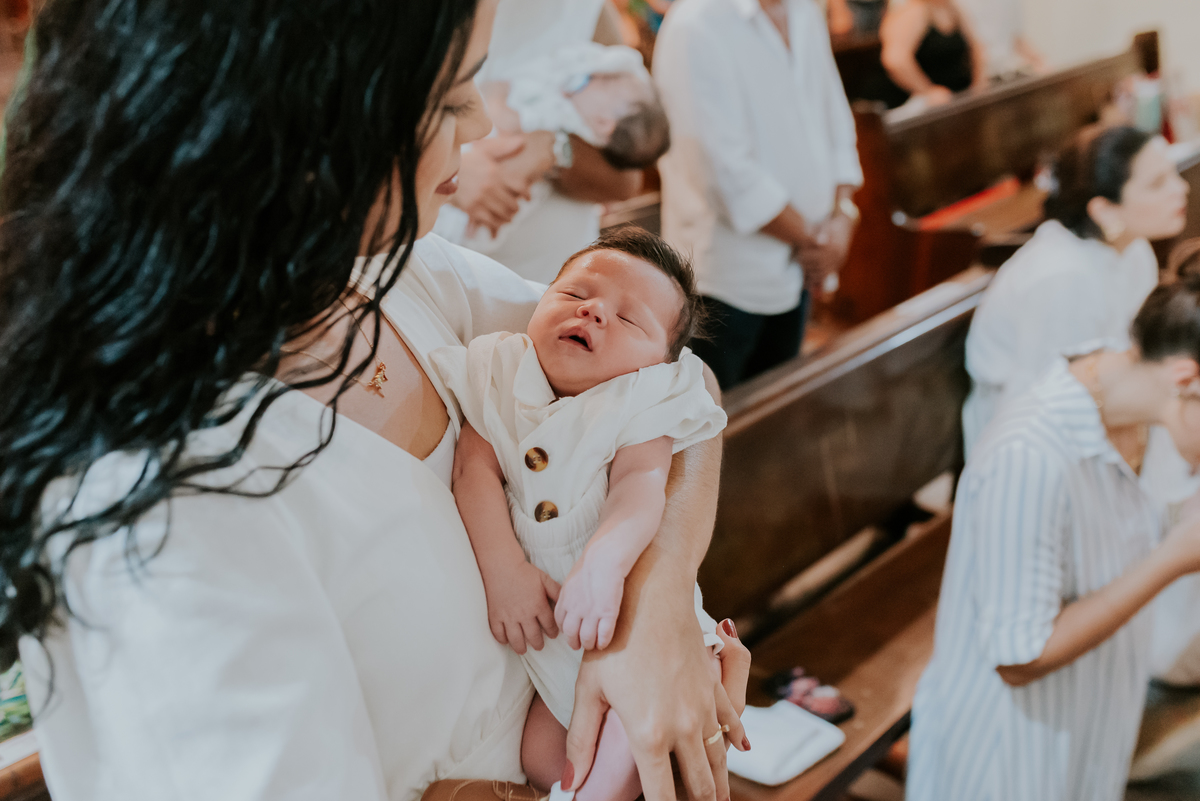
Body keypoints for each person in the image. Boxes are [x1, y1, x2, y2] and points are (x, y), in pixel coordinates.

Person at [0, 1, 747, 800]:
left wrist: (655, 608)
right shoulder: (162, 491)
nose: (482, 121)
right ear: (306, 123)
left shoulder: (385, 277)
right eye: (451, 95)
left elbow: (680, 387)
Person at [433, 228, 740, 801]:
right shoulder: (499, 368)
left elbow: (639, 488)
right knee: (543, 758)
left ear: (660, 363)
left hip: (635, 620)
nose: (594, 311)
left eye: (628, 320)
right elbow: (473, 471)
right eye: (574, 294)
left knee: (631, 734)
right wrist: (504, 571)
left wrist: (603, 563)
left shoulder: (641, 399)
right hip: (552, 637)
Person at [907, 278, 1200, 801]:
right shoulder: (1030, 454)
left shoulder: (1138, 409)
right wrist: (1172, 560)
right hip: (1011, 756)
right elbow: (1020, 656)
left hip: (1091, 721)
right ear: (1186, 379)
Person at [653, 0, 864, 389]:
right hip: (727, 280)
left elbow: (835, 119)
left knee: (776, 404)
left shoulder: (803, 10)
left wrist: (843, 213)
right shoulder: (696, 25)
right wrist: (817, 241)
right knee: (714, 415)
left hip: (800, 264)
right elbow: (721, 169)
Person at [963, 125, 1189, 457]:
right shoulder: (1063, 277)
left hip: (1105, 408)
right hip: (1025, 445)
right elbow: (1045, 404)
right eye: (1157, 183)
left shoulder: (1134, 249)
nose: (1181, 188)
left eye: (1173, 174)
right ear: (1104, 209)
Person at [445, 0, 649, 284]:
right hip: (443, 269)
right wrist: (450, 170)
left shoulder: (587, 11)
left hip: (554, 275)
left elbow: (626, 179)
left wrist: (550, 148)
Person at [873, 0, 987, 109]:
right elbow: (895, 60)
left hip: (957, 99)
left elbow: (975, 46)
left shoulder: (952, 9)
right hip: (922, 105)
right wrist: (928, 91)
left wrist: (978, 83)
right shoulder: (914, 12)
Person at [954, 0, 1046, 78]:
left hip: (1010, 70)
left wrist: (1040, 63)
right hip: (982, 73)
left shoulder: (1009, 2)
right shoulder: (959, 4)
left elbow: (1018, 40)